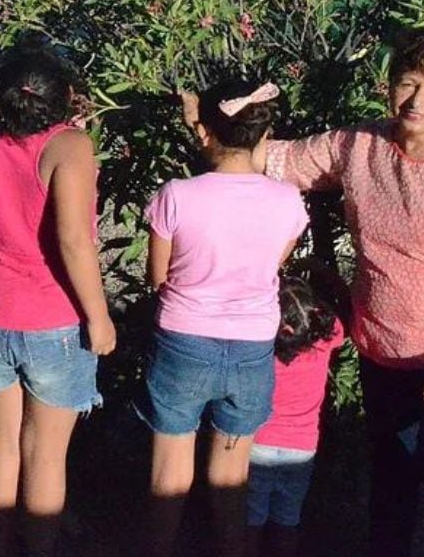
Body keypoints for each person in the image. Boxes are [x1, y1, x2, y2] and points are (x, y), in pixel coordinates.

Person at [262, 27, 424, 557]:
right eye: (407, 83)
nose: (418, 100)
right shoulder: (362, 144)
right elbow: (282, 161)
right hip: (384, 341)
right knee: (392, 465)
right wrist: (219, 133)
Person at [140, 77, 308, 557]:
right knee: (231, 480)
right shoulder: (287, 201)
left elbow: (158, 276)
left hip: (184, 339)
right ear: (262, 134)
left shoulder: (177, 194)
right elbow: (271, 264)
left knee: (169, 472)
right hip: (253, 345)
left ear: (206, 132)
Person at [0, 43, 116, 557]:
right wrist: (99, 318)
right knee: (47, 457)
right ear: (67, 97)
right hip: (52, 320)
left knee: (4, 444)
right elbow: (74, 241)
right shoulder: (70, 147)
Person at [245, 270, 348, 557]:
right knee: (288, 518)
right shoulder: (327, 338)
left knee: (251, 517)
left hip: (258, 443)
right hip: (302, 448)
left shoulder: (263, 348)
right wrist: (320, 269)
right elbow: (337, 315)